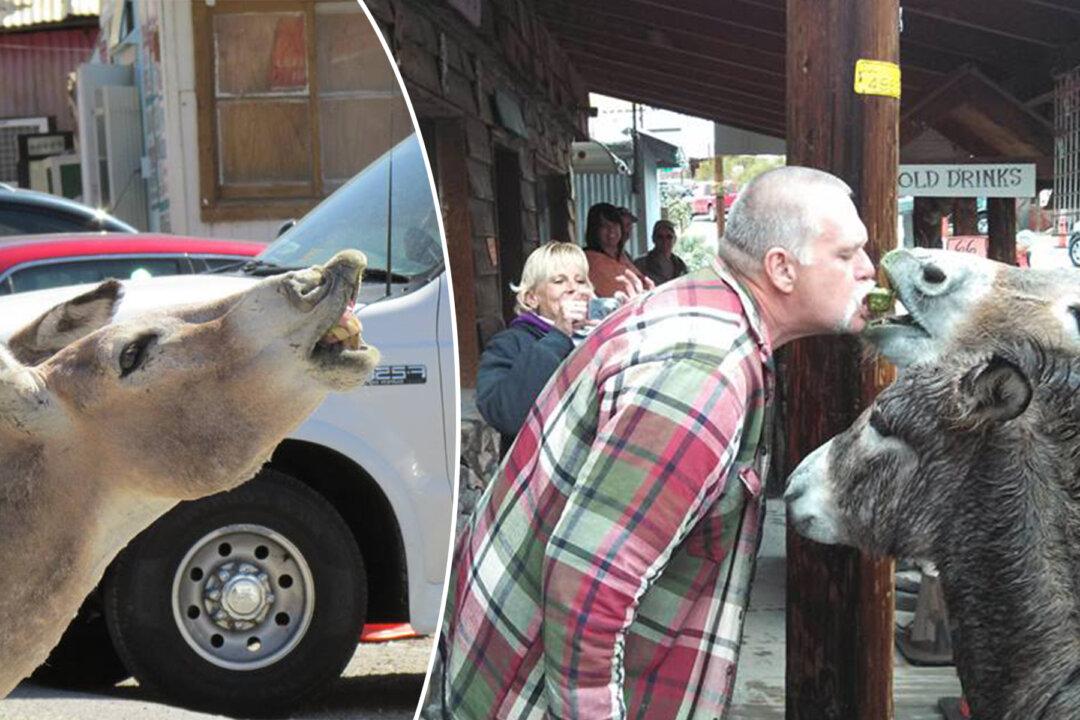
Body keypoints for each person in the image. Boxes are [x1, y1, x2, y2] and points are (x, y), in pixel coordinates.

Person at [437, 166, 876, 719]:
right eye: (847, 254)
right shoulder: (704, 371)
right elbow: (588, 591)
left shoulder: (703, 308)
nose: (868, 269)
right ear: (781, 269)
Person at [475, 241, 592, 456]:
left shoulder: (600, 337)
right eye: (559, 281)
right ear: (531, 297)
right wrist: (558, 337)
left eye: (580, 280)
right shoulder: (509, 344)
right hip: (540, 474)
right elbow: (505, 415)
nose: (573, 288)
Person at [583, 202, 649, 297]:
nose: (611, 230)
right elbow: (621, 292)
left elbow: (644, 283)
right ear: (594, 230)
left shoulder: (623, 256)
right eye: (604, 226)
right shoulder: (590, 258)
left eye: (615, 224)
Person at [634, 218, 688, 285]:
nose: (665, 241)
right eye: (660, 237)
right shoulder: (641, 264)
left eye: (669, 237)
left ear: (675, 239)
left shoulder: (681, 266)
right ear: (653, 239)